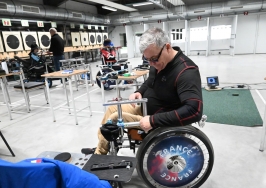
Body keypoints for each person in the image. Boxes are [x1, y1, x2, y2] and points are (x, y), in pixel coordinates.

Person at [82, 27, 203, 155]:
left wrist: (153, 121)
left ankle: (99, 155)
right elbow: (150, 82)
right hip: (145, 109)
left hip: (159, 121)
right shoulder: (159, 64)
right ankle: (100, 148)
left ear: (167, 47)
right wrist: (139, 91)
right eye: (148, 60)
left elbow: (194, 111)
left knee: (115, 117)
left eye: (154, 59)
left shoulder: (186, 71)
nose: (151, 64)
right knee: (112, 109)